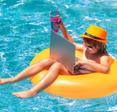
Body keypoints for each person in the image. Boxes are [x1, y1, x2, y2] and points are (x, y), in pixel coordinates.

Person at [0, 17, 111, 98]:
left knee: (57, 65)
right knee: (49, 60)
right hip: (76, 67)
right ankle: (13, 79)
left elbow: (105, 69)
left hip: (81, 73)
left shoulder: (103, 56)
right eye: (85, 42)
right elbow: (71, 44)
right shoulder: (86, 47)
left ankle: (33, 91)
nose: (87, 46)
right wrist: (62, 26)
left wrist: (84, 63)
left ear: (101, 45)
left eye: (91, 44)